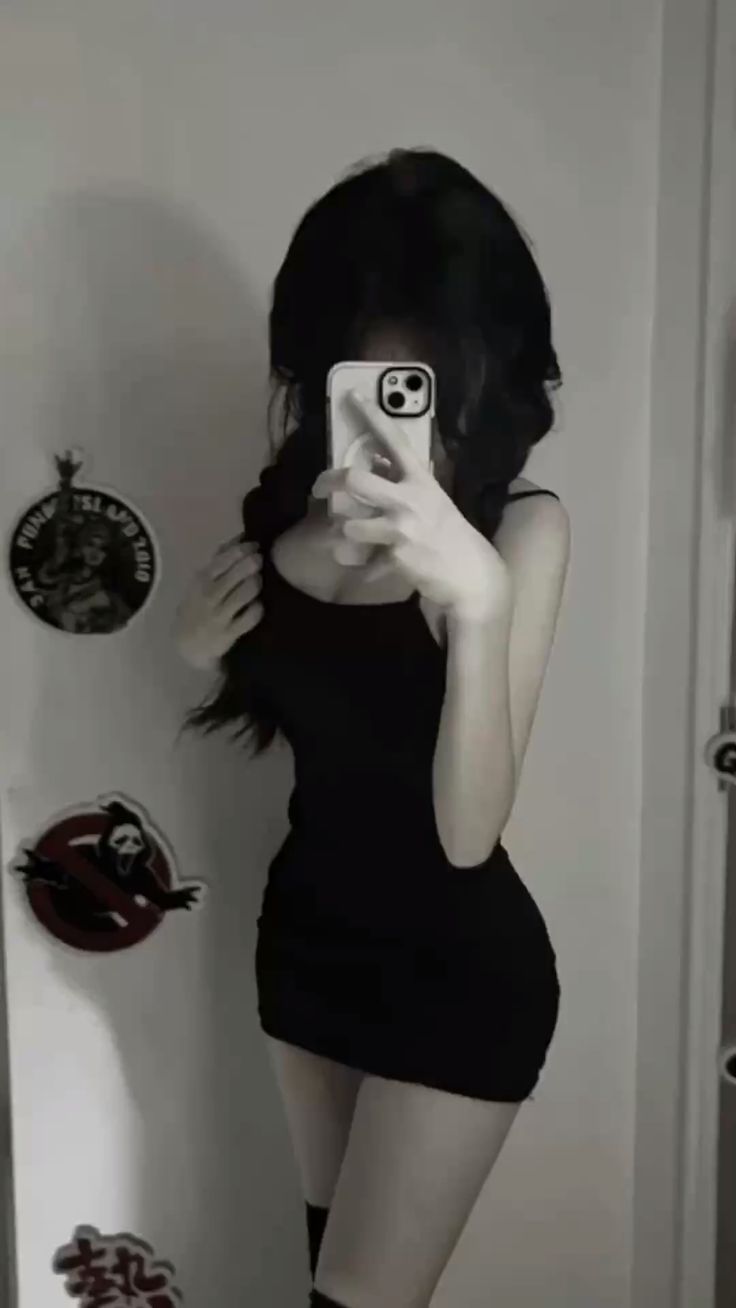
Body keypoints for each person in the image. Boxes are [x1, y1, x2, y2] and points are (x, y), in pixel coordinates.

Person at [175, 147, 571, 1308]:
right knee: (322, 1271)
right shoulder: (285, 519)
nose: (396, 406)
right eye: (367, 373)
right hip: (305, 941)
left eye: (423, 378)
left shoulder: (519, 532)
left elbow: (467, 834)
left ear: (480, 366)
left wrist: (478, 608)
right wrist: (197, 648)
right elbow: (296, 705)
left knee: (356, 1300)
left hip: (457, 971)